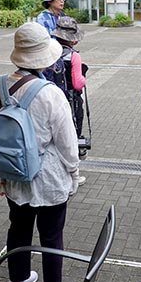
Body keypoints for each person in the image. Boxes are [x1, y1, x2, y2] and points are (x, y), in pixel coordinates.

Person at [0, 22, 81, 282]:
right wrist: (74, 174)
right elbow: (68, 145)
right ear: (44, 57)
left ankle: (16, 280)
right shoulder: (51, 93)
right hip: (49, 180)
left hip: (13, 178)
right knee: (51, 235)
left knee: (18, 228)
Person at [51, 17, 89, 182]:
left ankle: (55, 173)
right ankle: (73, 175)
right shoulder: (73, 56)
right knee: (71, 136)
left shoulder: (48, 50)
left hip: (50, 99)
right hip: (70, 102)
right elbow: (78, 83)